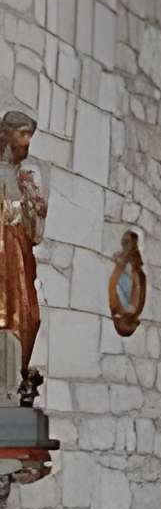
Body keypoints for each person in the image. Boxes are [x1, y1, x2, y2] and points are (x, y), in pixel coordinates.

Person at [0, 108, 47, 396]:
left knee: (29, 314)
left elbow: (35, 232)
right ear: (6, 135)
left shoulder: (25, 176)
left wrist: (32, 206)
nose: (27, 142)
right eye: (23, 134)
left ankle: (18, 378)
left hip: (18, 253)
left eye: (30, 135)